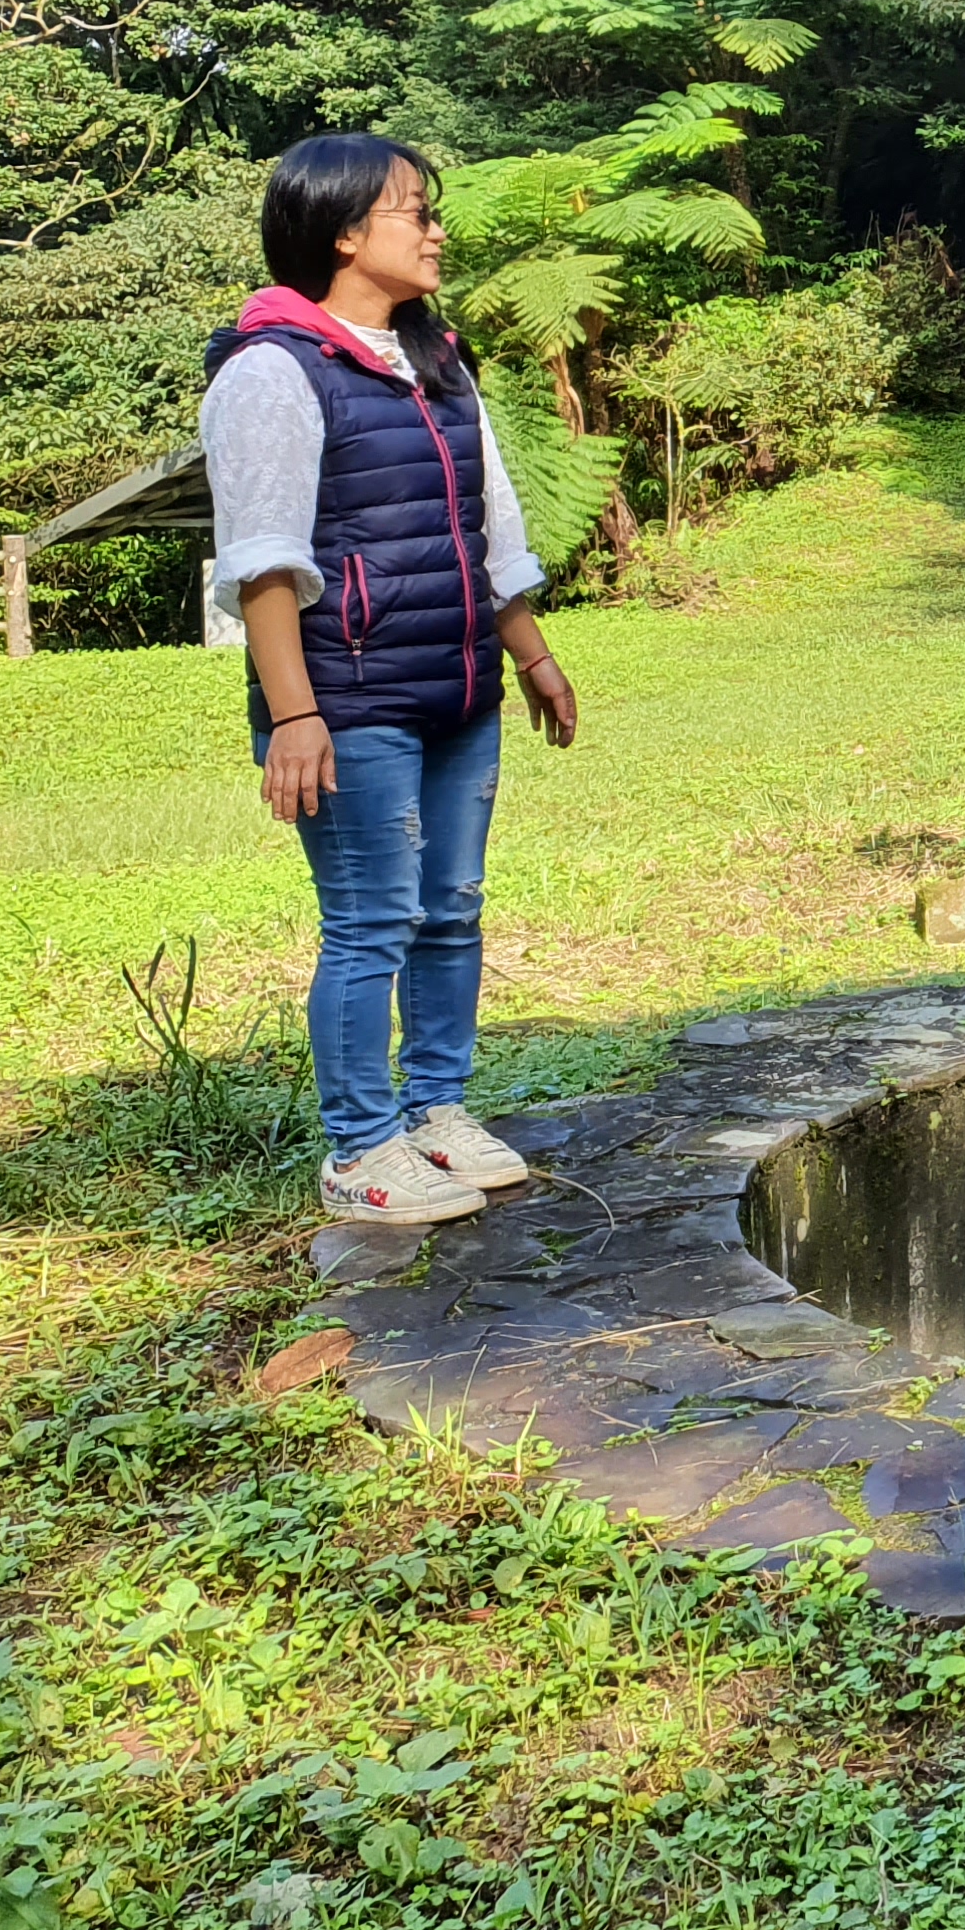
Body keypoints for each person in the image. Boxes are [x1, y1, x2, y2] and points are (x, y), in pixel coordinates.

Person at [202, 135, 580, 1225]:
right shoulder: (273, 370)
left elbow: (488, 532)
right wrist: (295, 716)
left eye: (433, 209)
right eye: (415, 211)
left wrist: (535, 659)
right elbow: (265, 561)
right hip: (348, 697)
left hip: (458, 687)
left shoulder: (438, 365)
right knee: (371, 920)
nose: (436, 230)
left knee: (449, 911)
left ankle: (437, 1113)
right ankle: (360, 1147)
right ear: (343, 230)